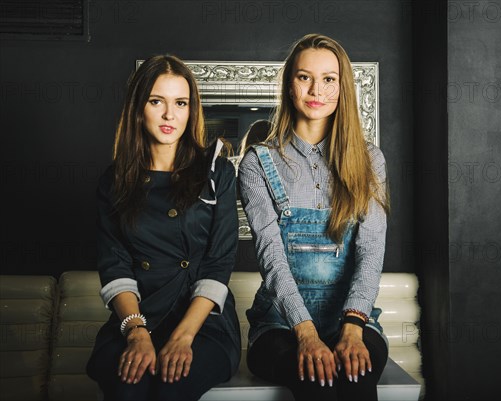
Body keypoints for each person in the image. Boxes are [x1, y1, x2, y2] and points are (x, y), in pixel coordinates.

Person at [238, 34, 390, 401]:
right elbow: (271, 258)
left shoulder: (370, 161)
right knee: (315, 379)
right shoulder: (258, 163)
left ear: (342, 87)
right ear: (290, 85)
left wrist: (353, 328)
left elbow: (370, 253)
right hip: (279, 323)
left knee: (356, 376)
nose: (316, 89)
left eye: (329, 79)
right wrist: (305, 333)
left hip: (352, 318)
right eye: (305, 77)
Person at [86, 54, 241, 401]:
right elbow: (114, 264)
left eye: (181, 103)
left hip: (203, 326)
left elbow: (219, 263)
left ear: (191, 110)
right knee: (129, 385)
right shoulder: (114, 181)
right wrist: (137, 332)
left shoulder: (217, 172)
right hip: (137, 319)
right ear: (139, 108)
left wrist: (183, 337)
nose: (170, 115)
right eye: (157, 101)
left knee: (171, 387)